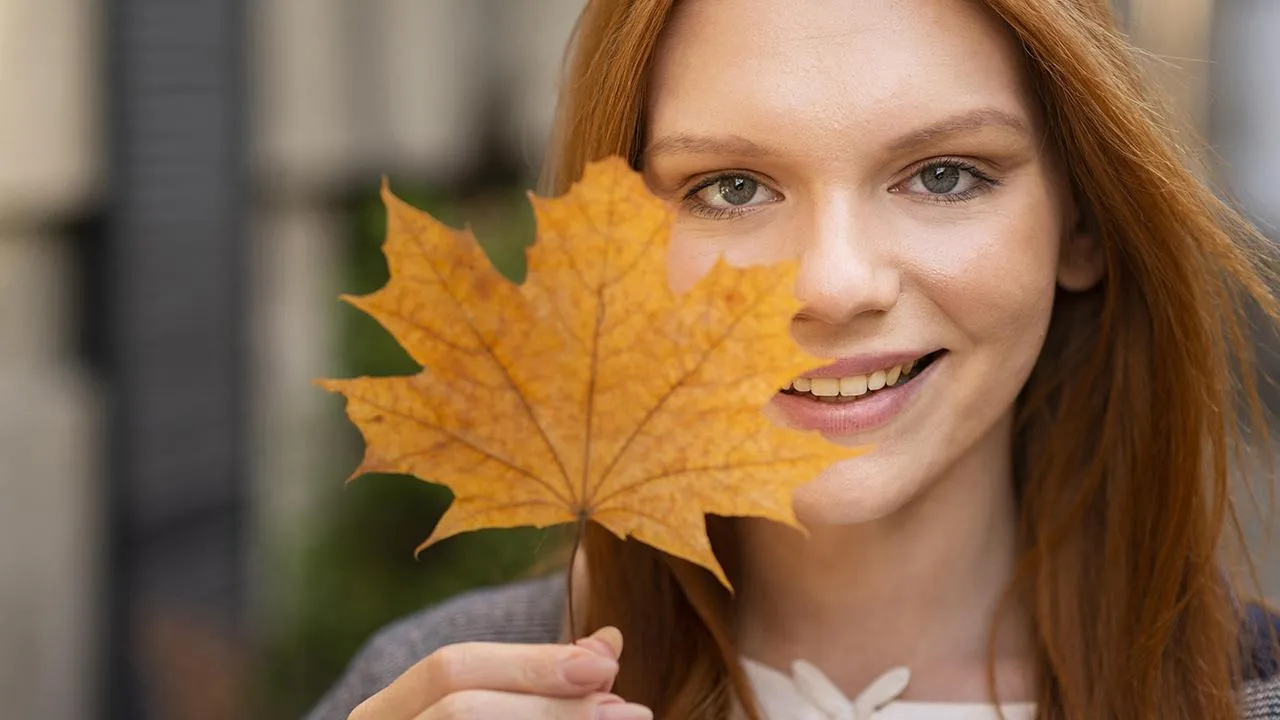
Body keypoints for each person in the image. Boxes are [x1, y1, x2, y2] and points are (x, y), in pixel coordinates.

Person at [308, 0, 1280, 718]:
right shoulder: (436, 682)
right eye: (731, 187)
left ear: (1079, 224)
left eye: (942, 175)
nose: (832, 282)